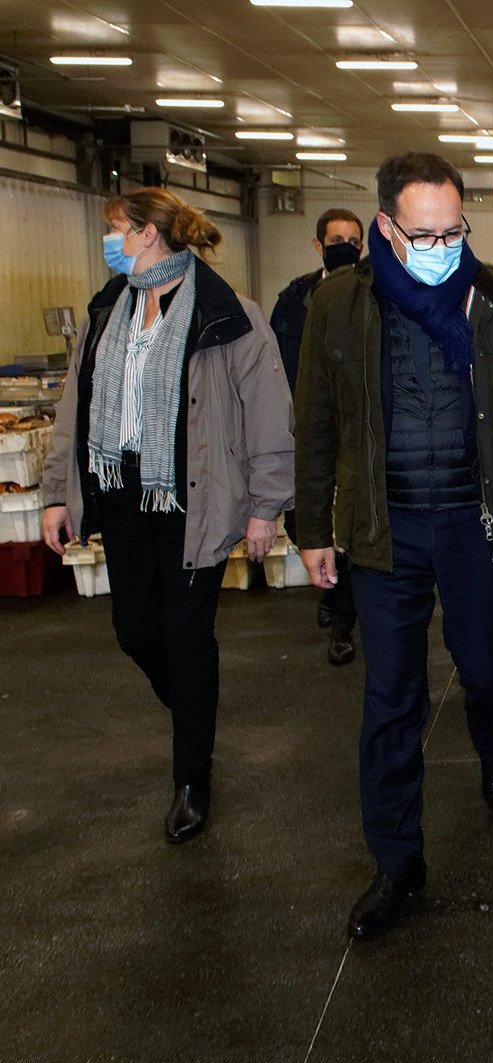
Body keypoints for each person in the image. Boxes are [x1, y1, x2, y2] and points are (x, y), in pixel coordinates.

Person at [295, 152, 493, 939]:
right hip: (385, 533)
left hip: (474, 526)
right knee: (391, 698)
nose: (445, 245)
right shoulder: (338, 306)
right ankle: (396, 859)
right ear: (385, 228)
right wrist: (313, 528)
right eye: (426, 233)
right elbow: (315, 422)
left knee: (485, 670)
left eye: (456, 230)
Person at [40, 187, 294, 844]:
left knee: (187, 637)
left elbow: (269, 414)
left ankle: (191, 777)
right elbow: (76, 406)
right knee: (134, 630)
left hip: (195, 496)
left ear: (150, 232)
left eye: (118, 228)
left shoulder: (227, 313)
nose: (111, 240)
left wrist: (267, 506)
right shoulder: (106, 312)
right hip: (122, 491)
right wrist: (55, 493)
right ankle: (191, 708)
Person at [269, 207, 364, 666]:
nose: (345, 245)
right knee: (304, 519)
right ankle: (329, 590)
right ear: (318, 245)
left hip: (349, 432)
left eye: (353, 238)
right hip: (301, 428)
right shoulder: (293, 302)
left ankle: (343, 623)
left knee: (344, 524)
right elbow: (278, 366)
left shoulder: (367, 296)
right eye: (336, 238)